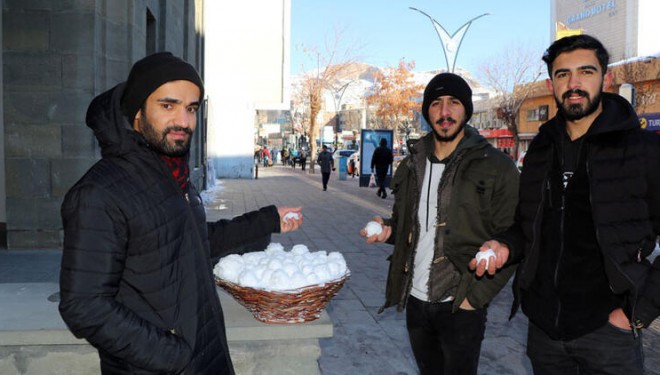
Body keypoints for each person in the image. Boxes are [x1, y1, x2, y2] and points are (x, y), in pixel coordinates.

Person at [58, 52, 303, 374]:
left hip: (204, 353)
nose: (184, 122)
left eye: (191, 109)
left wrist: (268, 219)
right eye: (167, 105)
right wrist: (173, 355)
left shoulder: (171, 176)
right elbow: (84, 305)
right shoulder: (100, 193)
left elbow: (191, 241)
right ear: (136, 113)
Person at [472, 34, 660, 375]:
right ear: (551, 83)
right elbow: (526, 225)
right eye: (563, 74)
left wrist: (638, 310)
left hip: (609, 332)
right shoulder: (541, 148)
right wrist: (504, 246)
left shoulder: (644, 149)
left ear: (606, 78)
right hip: (544, 330)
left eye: (586, 71)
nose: (574, 84)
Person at [360, 72, 520, 375]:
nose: (445, 112)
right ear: (427, 112)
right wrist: (388, 229)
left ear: (466, 109)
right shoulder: (412, 163)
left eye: (454, 103)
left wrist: (475, 299)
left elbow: (515, 236)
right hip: (416, 302)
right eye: (436, 104)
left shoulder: (496, 166)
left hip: (461, 305)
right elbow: (414, 223)